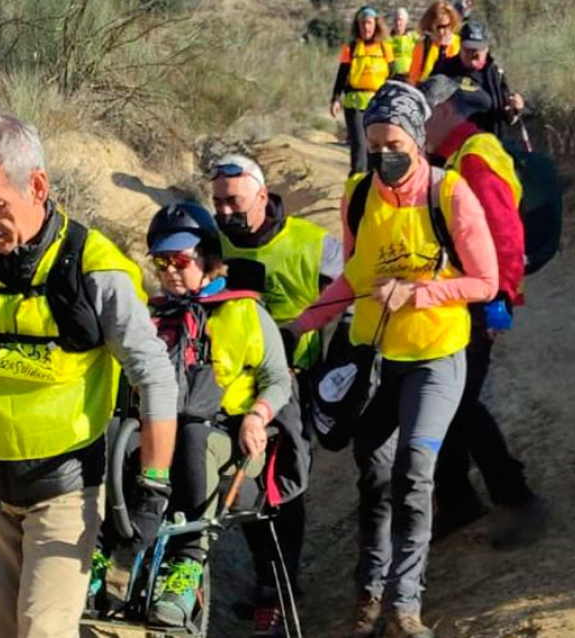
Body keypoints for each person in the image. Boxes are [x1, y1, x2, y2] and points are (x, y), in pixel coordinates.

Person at [0, 109, 178, 638]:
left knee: (42, 631)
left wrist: (154, 484)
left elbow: (154, 376)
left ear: (36, 185)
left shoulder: (94, 267)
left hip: (65, 488)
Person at [288, 81, 498, 638]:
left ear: (417, 138)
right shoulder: (359, 193)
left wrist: (419, 293)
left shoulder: (449, 194)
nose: (384, 156)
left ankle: (406, 606)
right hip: (375, 356)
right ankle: (368, 596)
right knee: (374, 474)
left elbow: (486, 280)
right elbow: (353, 277)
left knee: (413, 473)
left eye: (394, 144)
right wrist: (303, 324)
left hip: (436, 356)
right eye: (375, 144)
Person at [142, 201, 297, 632]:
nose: (171, 271)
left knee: (193, 436)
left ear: (209, 261)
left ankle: (187, 569)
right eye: (162, 262)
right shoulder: (153, 315)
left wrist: (256, 417)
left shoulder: (245, 311)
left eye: (180, 260)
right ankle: (99, 554)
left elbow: (277, 379)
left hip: (230, 443)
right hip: (159, 436)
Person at [210, 154, 342, 635]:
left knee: (283, 483)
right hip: (229, 385)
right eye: (218, 202)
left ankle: (281, 585)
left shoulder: (312, 244)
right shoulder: (211, 243)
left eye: (235, 201)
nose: (225, 212)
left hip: (294, 383)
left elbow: (356, 287)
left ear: (263, 196)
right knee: (243, 481)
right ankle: (268, 582)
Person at [421, 75, 548, 549]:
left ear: (447, 109)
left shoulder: (474, 158)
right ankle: (457, 498)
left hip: (479, 302)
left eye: (423, 115)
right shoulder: (453, 156)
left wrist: (499, 308)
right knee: (449, 400)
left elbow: (506, 239)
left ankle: (516, 497)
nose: (418, 126)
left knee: (459, 401)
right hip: (457, 301)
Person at [330, 6, 395, 175]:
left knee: (376, 147)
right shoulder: (350, 48)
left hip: (379, 104)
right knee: (359, 145)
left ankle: (374, 187)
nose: (366, 27)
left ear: (376, 25)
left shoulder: (385, 48)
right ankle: (356, 187)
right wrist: (335, 99)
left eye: (369, 23)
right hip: (354, 104)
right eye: (362, 23)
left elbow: (393, 76)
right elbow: (342, 75)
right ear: (357, 26)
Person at [442, 20, 526, 136]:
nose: (472, 54)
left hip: (486, 145)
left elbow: (507, 118)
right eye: (468, 49)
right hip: (451, 144)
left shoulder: (495, 74)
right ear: (460, 47)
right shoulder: (445, 69)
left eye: (477, 49)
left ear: (486, 49)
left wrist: (515, 109)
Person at [408, 1, 462, 85]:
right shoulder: (423, 46)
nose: (441, 32)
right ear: (430, 26)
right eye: (438, 27)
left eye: (445, 26)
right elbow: (413, 78)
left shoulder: (460, 45)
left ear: (452, 23)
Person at [389, 8, 419, 82]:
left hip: (411, 76)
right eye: (395, 20)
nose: (398, 23)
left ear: (406, 21)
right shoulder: (387, 40)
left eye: (400, 20)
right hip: (394, 77)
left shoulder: (413, 37)